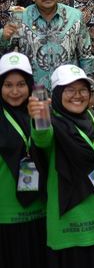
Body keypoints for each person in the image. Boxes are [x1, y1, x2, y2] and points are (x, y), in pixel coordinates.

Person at [28, 65, 94, 267]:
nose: (78, 96)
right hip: (69, 227)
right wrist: (39, 117)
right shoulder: (52, 124)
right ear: (57, 93)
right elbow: (42, 138)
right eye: (69, 90)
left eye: (83, 89)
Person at [0, 0, 94, 89]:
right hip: (33, 93)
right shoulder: (20, 18)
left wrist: (90, 90)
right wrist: (3, 36)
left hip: (68, 92)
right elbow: (6, 56)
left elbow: (86, 57)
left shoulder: (75, 17)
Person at [0, 52, 46, 268]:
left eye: (21, 84)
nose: (15, 91)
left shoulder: (40, 113)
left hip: (39, 213)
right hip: (5, 217)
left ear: (30, 84)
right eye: (8, 85)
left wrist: (39, 120)